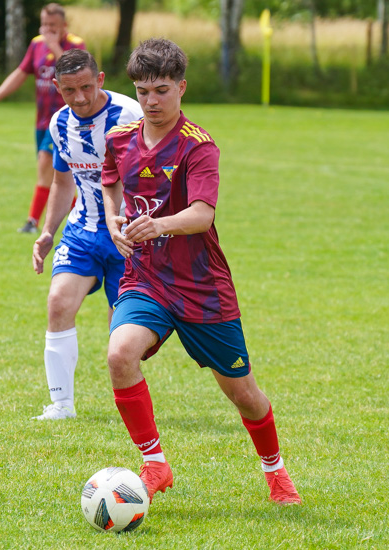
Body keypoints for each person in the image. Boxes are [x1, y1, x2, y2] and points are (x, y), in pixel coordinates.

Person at [101, 38, 302, 504]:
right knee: (119, 355)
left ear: (182, 88)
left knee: (244, 394)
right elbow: (110, 182)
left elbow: (201, 215)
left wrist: (157, 224)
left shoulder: (198, 146)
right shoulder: (119, 140)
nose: (151, 101)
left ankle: (275, 471)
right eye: (144, 90)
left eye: (162, 91)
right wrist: (114, 220)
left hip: (201, 288)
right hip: (145, 278)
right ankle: (154, 464)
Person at [31, 49, 143, 420]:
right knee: (58, 303)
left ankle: (128, 408)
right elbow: (64, 183)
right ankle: (61, 406)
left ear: (101, 79)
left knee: (123, 334)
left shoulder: (130, 117)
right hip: (83, 231)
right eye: (69, 90)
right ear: (56, 87)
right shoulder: (59, 123)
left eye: (86, 87)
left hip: (129, 236)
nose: (79, 98)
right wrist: (48, 232)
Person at [0, 3, 85, 234]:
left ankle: (33, 221)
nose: (47, 29)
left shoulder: (75, 46)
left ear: (64, 25)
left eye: (53, 25)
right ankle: (78, 214)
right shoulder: (37, 44)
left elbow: (76, 71)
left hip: (66, 119)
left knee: (47, 162)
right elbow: (21, 72)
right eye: (44, 24)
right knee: (52, 171)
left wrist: (55, 47)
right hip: (42, 120)